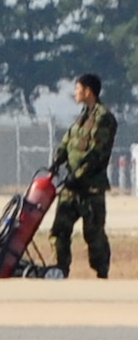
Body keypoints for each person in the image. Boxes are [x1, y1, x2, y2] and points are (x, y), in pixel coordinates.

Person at [50, 72, 118, 279]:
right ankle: (60, 270)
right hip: (71, 188)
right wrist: (57, 161)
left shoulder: (103, 118)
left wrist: (77, 174)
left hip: (91, 189)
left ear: (88, 91)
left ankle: (101, 274)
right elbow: (68, 142)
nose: (75, 92)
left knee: (94, 234)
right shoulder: (83, 116)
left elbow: (96, 153)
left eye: (77, 88)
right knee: (59, 231)